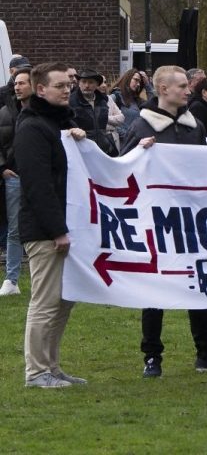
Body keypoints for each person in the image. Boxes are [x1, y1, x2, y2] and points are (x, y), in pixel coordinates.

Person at [121, 65, 207, 378]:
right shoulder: (142, 126)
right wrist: (139, 152)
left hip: (191, 218)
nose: (188, 91)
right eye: (182, 86)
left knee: (199, 284)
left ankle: (205, 353)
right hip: (156, 219)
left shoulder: (194, 126)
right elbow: (121, 169)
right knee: (154, 289)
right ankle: (152, 356)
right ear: (163, 89)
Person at [16, 62, 87, 388]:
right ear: (41, 89)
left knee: (63, 302)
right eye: (60, 85)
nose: (67, 90)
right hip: (45, 230)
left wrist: (78, 137)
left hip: (63, 226)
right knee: (45, 302)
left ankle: (52, 366)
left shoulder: (59, 125)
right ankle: (36, 371)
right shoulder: (32, 128)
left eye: (69, 85)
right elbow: (38, 185)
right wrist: (57, 230)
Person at [0, 67, 32, 297]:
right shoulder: (5, 112)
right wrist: (3, 168)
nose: (17, 87)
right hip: (14, 177)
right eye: (16, 83)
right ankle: (11, 279)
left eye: (22, 83)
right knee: (14, 229)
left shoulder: (46, 112)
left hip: (40, 177)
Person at [69, 69, 117, 156]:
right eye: (84, 82)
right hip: (82, 151)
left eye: (91, 82)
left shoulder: (103, 101)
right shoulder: (71, 101)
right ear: (79, 83)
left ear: (97, 84)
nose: (87, 85)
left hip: (102, 150)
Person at [111, 68, 146, 143]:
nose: (138, 84)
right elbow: (106, 121)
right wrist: (127, 135)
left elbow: (153, 108)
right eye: (136, 80)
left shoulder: (137, 101)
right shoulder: (116, 97)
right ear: (128, 78)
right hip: (121, 144)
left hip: (135, 143)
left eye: (139, 82)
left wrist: (147, 85)